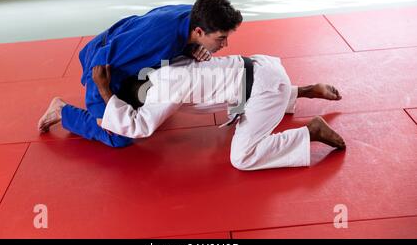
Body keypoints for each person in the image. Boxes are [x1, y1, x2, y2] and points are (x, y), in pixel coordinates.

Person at [38, 54, 346, 170]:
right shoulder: (164, 64)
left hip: (263, 91)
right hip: (264, 68)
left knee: (243, 158)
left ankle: (311, 132)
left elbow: (138, 127)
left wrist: (104, 90)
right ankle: (305, 90)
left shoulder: (163, 89)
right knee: (223, 92)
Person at [38, 0, 243, 147]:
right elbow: (99, 65)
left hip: (140, 67)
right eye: (221, 39)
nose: (225, 45)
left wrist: (193, 49)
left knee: (174, 86)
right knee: (119, 136)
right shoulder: (158, 37)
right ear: (199, 31)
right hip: (105, 66)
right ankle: (61, 111)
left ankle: (129, 100)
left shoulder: (199, 15)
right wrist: (102, 113)